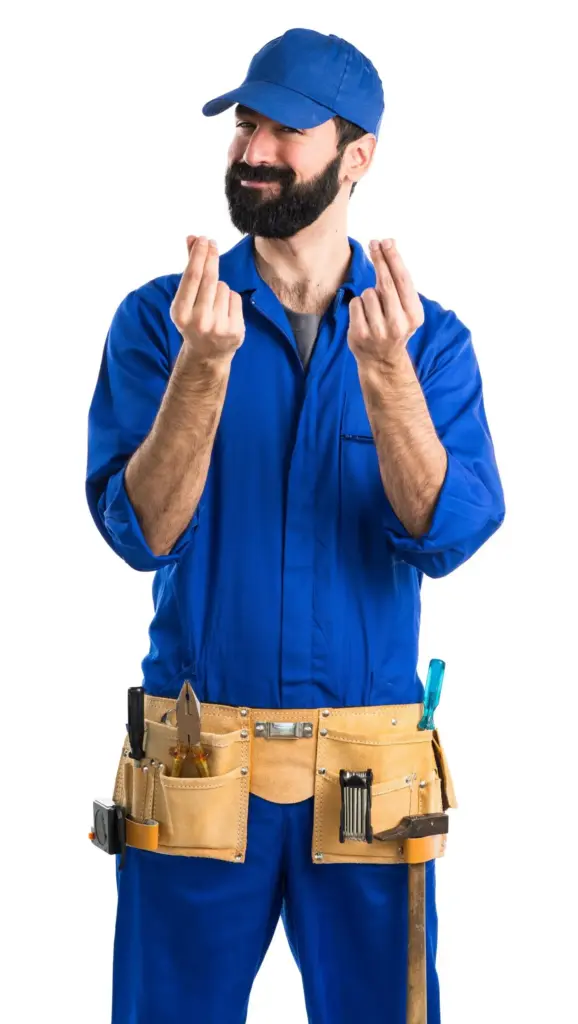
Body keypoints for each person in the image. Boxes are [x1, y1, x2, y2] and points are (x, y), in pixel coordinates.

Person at [86, 27, 506, 1024]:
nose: (253, 150)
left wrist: (387, 377)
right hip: (196, 767)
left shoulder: (426, 342)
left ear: (357, 156)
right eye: (245, 125)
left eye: (286, 129)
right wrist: (202, 370)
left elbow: (445, 534)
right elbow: (141, 533)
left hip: (368, 778)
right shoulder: (163, 323)